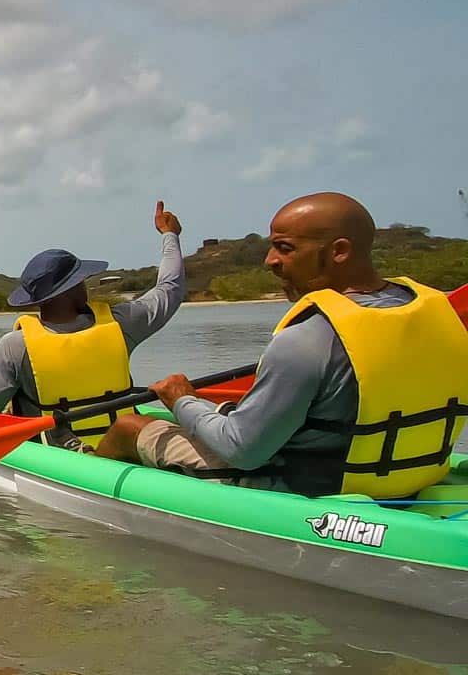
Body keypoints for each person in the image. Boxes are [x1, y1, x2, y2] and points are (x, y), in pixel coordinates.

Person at [97, 193, 468, 497]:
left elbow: (243, 451)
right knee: (225, 408)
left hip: (307, 487)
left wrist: (181, 399)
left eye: (284, 248)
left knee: (129, 426)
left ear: (339, 251)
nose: (269, 260)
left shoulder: (306, 339)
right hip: (414, 472)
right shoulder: (440, 313)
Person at [0, 202, 187, 448]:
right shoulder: (121, 324)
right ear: (70, 290)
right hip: (121, 449)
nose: (85, 286)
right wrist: (169, 235)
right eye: (80, 281)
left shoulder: (14, 346)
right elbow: (170, 290)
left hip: (55, 457)